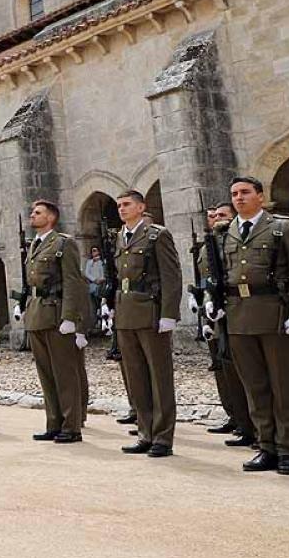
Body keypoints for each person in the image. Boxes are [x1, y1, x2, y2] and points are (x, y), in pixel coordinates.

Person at [215, 176, 289, 474]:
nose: (239, 198)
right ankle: (267, 446)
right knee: (255, 386)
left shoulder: (282, 228)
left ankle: (288, 449)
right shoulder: (227, 232)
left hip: (274, 313)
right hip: (238, 314)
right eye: (234, 194)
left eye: (245, 192)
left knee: (283, 386)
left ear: (260, 196)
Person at [111, 190, 181, 458]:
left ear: (141, 207)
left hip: (151, 312)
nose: (122, 209)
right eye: (119, 205)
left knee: (159, 377)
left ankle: (163, 437)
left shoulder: (157, 235)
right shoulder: (120, 237)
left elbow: (171, 276)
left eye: (127, 204)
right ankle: (145, 432)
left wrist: (169, 314)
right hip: (126, 313)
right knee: (136, 377)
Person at [21, 200, 89, 444]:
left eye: (37, 213)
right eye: (33, 212)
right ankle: (54, 422)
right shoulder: (34, 246)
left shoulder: (63, 242)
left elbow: (73, 281)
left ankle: (71, 426)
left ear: (50, 218)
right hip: (37, 314)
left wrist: (70, 317)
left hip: (56, 312)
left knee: (64, 373)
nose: (32, 215)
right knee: (46, 374)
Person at [201, 201, 256, 448]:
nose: (215, 219)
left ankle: (253, 426)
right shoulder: (209, 243)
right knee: (223, 369)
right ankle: (238, 419)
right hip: (214, 311)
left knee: (244, 372)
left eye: (221, 215)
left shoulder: (230, 240)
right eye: (212, 216)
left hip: (238, 311)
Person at [84, 246, 106, 321]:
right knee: (94, 303)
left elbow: (105, 272)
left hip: (102, 285)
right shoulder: (89, 262)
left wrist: (102, 279)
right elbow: (87, 273)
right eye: (93, 251)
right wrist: (94, 280)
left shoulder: (103, 261)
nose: (95, 253)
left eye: (96, 251)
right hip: (93, 285)